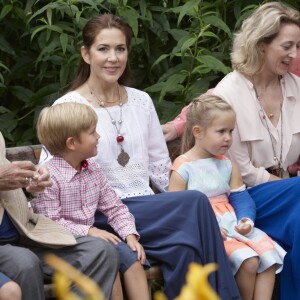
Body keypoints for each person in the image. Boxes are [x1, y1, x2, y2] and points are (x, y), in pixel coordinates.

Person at [39, 13, 241, 300]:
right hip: (101, 215)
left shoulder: (141, 101)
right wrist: (187, 210)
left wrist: (175, 208)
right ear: (86, 54)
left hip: (144, 211)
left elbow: (160, 168)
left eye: (120, 49)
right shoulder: (69, 106)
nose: (113, 58)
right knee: (195, 202)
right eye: (103, 49)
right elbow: (50, 172)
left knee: (184, 244)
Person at [163, 2, 300, 299]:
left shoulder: (296, 87)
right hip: (247, 196)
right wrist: (289, 186)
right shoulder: (230, 91)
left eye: (298, 46)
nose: (295, 55)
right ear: (261, 44)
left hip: (288, 195)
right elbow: (241, 171)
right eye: (287, 46)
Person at [168, 94, 286, 300]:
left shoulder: (227, 164)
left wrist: (246, 220)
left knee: (270, 258)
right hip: (209, 228)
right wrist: (207, 227)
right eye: (221, 131)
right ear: (198, 132)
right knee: (249, 261)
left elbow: (241, 198)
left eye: (231, 131)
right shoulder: (183, 167)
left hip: (233, 224)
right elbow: (176, 209)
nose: (228, 138)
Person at [33, 102, 149, 300]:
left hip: (92, 242)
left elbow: (114, 207)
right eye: (92, 132)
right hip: (61, 247)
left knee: (132, 257)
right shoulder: (48, 177)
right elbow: (50, 223)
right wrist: (88, 231)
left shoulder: (93, 171)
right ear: (72, 143)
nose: (98, 136)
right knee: (106, 257)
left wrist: (130, 234)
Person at [0, 131, 119, 299]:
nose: (99, 135)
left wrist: (29, 188)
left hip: (25, 233)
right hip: (9, 248)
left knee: (101, 252)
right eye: (93, 131)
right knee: (24, 262)